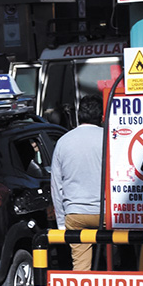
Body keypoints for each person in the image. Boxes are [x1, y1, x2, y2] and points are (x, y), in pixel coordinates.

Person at [50, 95, 105, 270]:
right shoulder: (110, 139)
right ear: (102, 116)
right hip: (106, 214)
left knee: (81, 266)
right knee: (112, 256)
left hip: (75, 214)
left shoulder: (63, 142)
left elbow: (56, 186)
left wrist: (60, 222)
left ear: (77, 116)